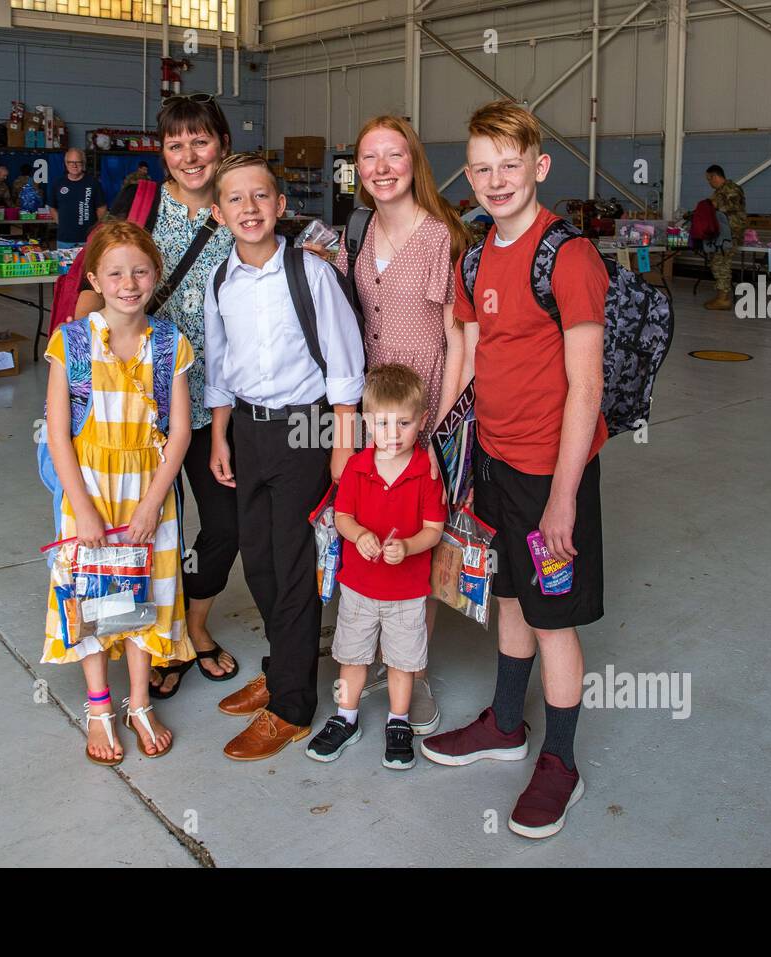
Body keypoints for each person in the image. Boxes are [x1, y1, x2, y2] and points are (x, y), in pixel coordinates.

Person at [420, 100, 608, 841]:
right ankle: (505, 723)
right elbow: (468, 351)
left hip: (551, 473)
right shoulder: (475, 255)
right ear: (468, 174)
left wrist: (562, 498)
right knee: (509, 597)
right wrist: (436, 443)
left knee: (552, 619)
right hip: (493, 464)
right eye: (482, 168)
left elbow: (586, 386)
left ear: (540, 165)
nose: (497, 180)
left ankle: (559, 761)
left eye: (510, 164)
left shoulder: (569, 256)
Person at [204, 153, 365, 761]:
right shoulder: (223, 280)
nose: (249, 208)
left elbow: (347, 366)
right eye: (236, 200)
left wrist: (341, 447)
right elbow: (219, 367)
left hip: (306, 431)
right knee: (260, 561)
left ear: (279, 205)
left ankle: (293, 706)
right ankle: (280, 669)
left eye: (260, 197)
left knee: (295, 565)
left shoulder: (310, 273)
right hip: (248, 428)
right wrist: (220, 435)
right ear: (219, 215)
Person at [324, 113, 472, 735]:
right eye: (370, 158)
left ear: (414, 162)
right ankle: (370, 661)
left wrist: (436, 427)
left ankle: (413, 666)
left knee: (421, 541)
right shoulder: (357, 229)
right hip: (370, 415)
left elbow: (460, 337)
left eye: (394, 156)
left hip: (423, 418)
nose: (382, 169)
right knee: (370, 526)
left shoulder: (441, 235)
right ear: (358, 170)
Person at [94, 93, 240, 697]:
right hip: (136, 405)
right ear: (162, 153)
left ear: (222, 146)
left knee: (225, 526)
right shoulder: (143, 206)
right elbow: (91, 284)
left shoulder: (241, 209)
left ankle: (195, 626)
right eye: (176, 144)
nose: (189, 155)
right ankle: (158, 642)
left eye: (200, 141)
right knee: (145, 527)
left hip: (215, 403)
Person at [41, 219, 194, 763]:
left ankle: (138, 701)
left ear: (155, 274)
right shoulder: (72, 342)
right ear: (95, 280)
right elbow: (58, 433)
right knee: (89, 594)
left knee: (143, 596)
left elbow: (179, 432)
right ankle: (100, 707)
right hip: (89, 491)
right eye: (115, 273)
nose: (129, 283)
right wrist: (80, 507)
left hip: (148, 493)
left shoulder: (171, 343)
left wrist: (154, 504)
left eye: (140, 271)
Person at [305, 364, 447, 769]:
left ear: (421, 421)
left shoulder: (426, 472)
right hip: (359, 586)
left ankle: (398, 720)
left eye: (403, 423)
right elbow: (343, 516)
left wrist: (408, 545)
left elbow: (434, 530)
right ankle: (345, 716)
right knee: (352, 655)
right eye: (383, 423)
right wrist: (358, 534)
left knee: (402, 661)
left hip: (406, 591)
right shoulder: (356, 467)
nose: (393, 433)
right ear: (367, 422)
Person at [703, 164, 746, 310]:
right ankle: (722, 296)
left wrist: (712, 206)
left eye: (709, 179)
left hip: (730, 234)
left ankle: (724, 299)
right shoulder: (720, 191)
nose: (709, 182)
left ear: (715, 176)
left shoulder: (731, 189)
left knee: (721, 263)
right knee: (718, 262)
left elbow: (730, 207)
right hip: (722, 233)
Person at [52, 148, 106, 249]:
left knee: (88, 265)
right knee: (65, 265)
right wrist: (63, 224)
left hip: (88, 239)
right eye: (70, 162)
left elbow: (101, 208)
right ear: (66, 163)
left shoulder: (93, 183)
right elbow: (52, 207)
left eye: (78, 162)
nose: (74, 165)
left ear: (83, 163)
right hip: (64, 239)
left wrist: (94, 228)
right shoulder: (58, 183)